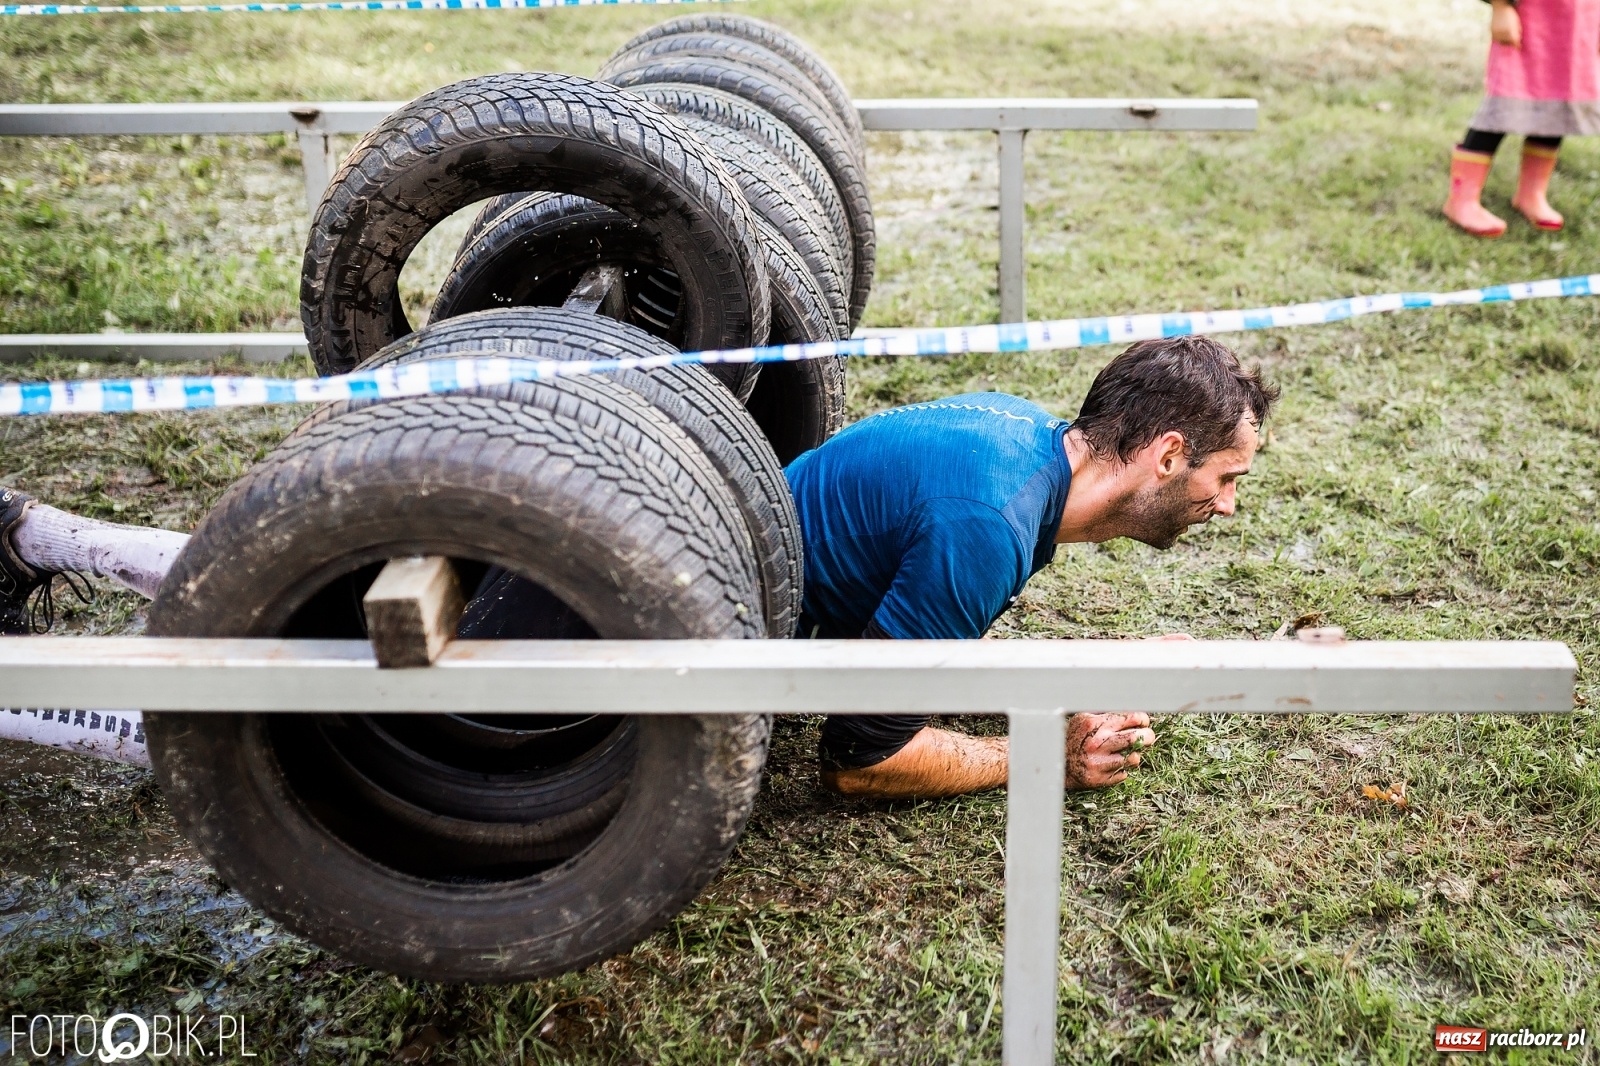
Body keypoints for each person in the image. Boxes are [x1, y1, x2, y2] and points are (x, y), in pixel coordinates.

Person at [0, 336, 1277, 799]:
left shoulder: (1011, 440)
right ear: (1165, 452)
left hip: (659, 559)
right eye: (1226, 477)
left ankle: (31, 532)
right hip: (619, 629)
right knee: (306, 734)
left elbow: (901, 647)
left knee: (315, 606)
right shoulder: (987, 527)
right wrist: (1035, 754)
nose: (1226, 504)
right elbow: (863, 751)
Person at [1444, 0, 1600, 237]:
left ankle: (1532, 194)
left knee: (1557, 106)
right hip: (1529, 23)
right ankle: (1462, 200)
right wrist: (1501, 7)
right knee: (1502, 106)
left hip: (1579, 24)